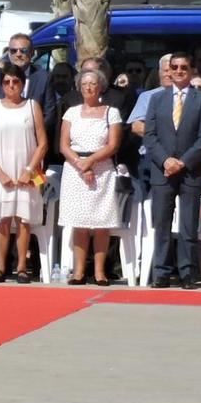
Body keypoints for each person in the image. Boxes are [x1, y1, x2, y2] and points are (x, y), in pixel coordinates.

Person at [139, 49, 201, 288]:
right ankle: (161, 272)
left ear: (191, 70)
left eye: (184, 67)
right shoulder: (157, 99)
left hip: (190, 170)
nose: (179, 71)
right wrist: (166, 161)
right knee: (161, 223)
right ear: (169, 71)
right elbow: (149, 136)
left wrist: (183, 162)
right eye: (175, 68)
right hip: (162, 170)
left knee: (188, 224)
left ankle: (187, 273)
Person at [0, 64, 46, 282]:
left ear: (22, 84)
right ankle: (0, 267)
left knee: (24, 219)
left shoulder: (32, 106)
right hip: (0, 170)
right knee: (3, 219)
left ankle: (22, 267)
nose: (11, 86)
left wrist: (29, 170)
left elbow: (42, 143)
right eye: (7, 82)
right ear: (1, 85)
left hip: (25, 169)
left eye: (15, 82)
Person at [58, 66, 124, 286]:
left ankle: (99, 272)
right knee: (79, 223)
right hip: (75, 169)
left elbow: (113, 144)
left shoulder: (110, 112)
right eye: (84, 84)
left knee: (101, 223)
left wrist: (92, 162)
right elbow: (64, 145)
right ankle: (78, 272)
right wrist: (81, 165)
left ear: (100, 87)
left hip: (102, 170)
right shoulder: (71, 112)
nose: (88, 87)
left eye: (92, 83)